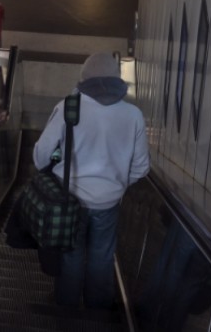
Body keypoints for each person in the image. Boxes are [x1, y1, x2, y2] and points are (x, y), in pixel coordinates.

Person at [33, 52, 149, 309]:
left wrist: (52, 174)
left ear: (84, 77)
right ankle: (97, 308)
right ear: (117, 78)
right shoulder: (133, 115)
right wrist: (117, 184)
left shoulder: (69, 106)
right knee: (102, 256)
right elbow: (141, 167)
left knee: (71, 255)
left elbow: (41, 155)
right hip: (108, 203)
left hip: (70, 198)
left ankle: (67, 305)